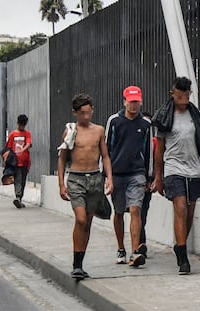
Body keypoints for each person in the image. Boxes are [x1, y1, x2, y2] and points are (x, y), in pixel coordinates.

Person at [152, 77, 200, 275]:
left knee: (189, 213)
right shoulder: (165, 116)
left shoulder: (196, 115)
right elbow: (159, 149)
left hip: (193, 170)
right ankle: (183, 258)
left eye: (186, 95)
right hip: (173, 169)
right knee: (180, 208)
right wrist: (159, 176)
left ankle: (179, 245)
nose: (183, 99)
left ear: (190, 94)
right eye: (179, 95)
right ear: (172, 93)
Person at [58, 94, 113, 280]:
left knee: (88, 222)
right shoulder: (70, 131)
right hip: (76, 179)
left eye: (88, 113)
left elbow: (105, 156)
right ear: (75, 113)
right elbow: (62, 158)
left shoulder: (99, 131)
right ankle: (76, 262)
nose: (86, 117)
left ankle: (80, 263)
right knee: (80, 219)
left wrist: (109, 178)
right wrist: (61, 184)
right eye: (82, 113)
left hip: (95, 178)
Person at [105, 86, 153, 267]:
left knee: (135, 210)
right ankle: (120, 248)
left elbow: (148, 150)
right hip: (117, 172)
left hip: (137, 173)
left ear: (140, 102)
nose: (134, 105)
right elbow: (106, 148)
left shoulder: (146, 125)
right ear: (124, 101)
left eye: (136, 102)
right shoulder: (115, 121)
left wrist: (149, 177)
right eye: (131, 101)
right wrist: (107, 175)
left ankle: (134, 252)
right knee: (118, 212)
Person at [139, 112, 157, 257]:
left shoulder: (155, 143)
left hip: (147, 181)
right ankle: (138, 243)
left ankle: (140, 244)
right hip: (131, 178)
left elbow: (156, 161)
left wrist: (153, 179)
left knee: (142, 213)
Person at [6, 114, 32, 209]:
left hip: (25, 161)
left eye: (23, 125)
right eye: (21, 125)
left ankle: (19, 199)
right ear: (17, 123)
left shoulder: (27, 134)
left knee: (23, 180)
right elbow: (8, 147)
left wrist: (23, 149)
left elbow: (29, 143)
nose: (22, 127)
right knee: (18, 180)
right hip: (15, 162)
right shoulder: (13, 134)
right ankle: (18, 197)